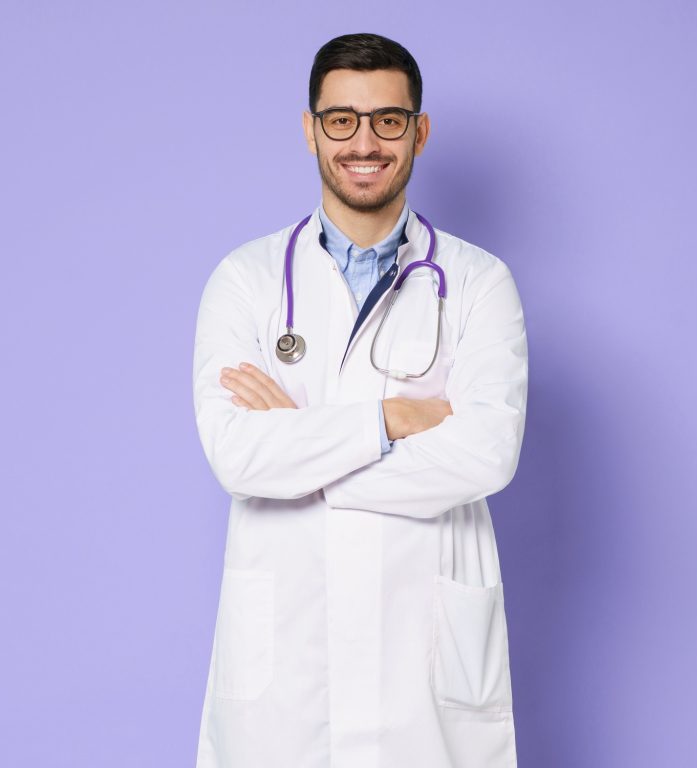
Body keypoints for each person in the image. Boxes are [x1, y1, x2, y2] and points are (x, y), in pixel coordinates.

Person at [192, 32, 528, 768]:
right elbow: (238, 456)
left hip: (424, 668)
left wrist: (304, 449)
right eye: (341, 119)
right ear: (310, 129)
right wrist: (388, 419)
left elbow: (484, 455)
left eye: (388, 120)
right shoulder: (245, 280)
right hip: (286, 672)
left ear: (419, 131)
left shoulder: (479, 283)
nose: (364, 141)